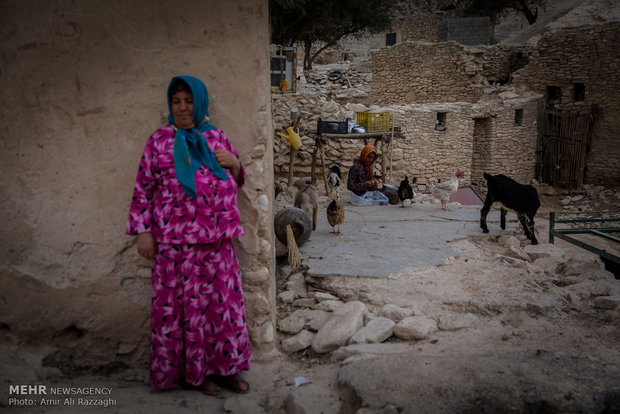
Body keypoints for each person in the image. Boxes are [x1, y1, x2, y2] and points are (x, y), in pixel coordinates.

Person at [126, 75, 251, 396]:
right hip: (175, 247)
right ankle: (195, 375)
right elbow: (143, 189)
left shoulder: (216, 136)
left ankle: (227, 370)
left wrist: (235, 164)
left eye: (188, 101)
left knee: (222, 311)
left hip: (218, 244)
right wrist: (143, 232)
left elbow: (237, 179)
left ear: (200, 102)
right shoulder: (159, 141)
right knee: (187, 313)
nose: (182, 108)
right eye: (176, 102)